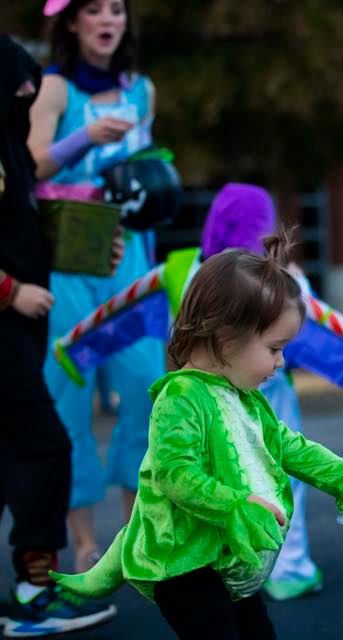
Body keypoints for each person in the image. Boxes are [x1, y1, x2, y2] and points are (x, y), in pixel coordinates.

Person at [51, 232, 343, 638]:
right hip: (182, 561)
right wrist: (237, 505)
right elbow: (175, 475)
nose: (282, 362)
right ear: (225, 335)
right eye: (275, 348)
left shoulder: (243, 395)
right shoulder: (181, 396)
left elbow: (289, 445)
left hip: (222, 558)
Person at [27, 0, 164, 573]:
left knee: (148, 390)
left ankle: (137, 536)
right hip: (65, 256)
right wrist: (81, 138)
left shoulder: (142, 91)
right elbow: (30, 165)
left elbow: (147, 173)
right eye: (94, 10)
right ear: (72, 22)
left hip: (129, 257)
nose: (108, 19)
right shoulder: (53, 89)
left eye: (117, 9)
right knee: (67, 399)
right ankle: (83, 541)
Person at [0, 35, 119, 636]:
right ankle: (37, 590)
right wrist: (8, 290)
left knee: (14, 456)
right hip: (4, 329)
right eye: (18, 84)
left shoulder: (12, 153)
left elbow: (25, 227)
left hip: (21, 334)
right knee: (46, 447)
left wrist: (94, 246)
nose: (29, 92)